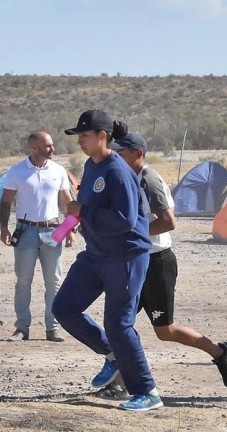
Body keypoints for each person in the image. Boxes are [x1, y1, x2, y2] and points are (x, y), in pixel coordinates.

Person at [51, 110, 162, 411]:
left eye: (84, 136)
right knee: (64, 307)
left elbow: (125, 219)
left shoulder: (118, 170)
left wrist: (83, 212)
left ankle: (147, 391)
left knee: (118, 323)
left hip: (125, 254)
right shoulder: (90, 166)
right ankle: (113, 356)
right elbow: (82, 206)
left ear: (102, 137)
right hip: (97, 253)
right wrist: (64, 229)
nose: (80, 143)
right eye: (78, 137)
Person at [112, 131, 227, 386]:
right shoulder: (126, 178)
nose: (116, 158)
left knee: (164, 330)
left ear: (138, 154)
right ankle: (119, 382)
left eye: (121, 153)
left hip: (156, 263)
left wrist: (134, 235)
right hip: (133, 263)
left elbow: (168, 222)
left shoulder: (148, 179)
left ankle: (220, 352)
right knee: (118, 324)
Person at [0, 131, 74, 343]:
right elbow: (5, 202)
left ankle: (53, 328)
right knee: (23, 281)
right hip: (26, 231)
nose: (53, 149)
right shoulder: (17, 172)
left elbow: (67, 203)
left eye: (51, 145)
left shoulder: (58, 171)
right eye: (48, 146)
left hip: (53, 230)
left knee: (54, 282)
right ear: (34, 148)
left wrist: (70, 229)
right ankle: (22, 327)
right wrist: (4, 228)